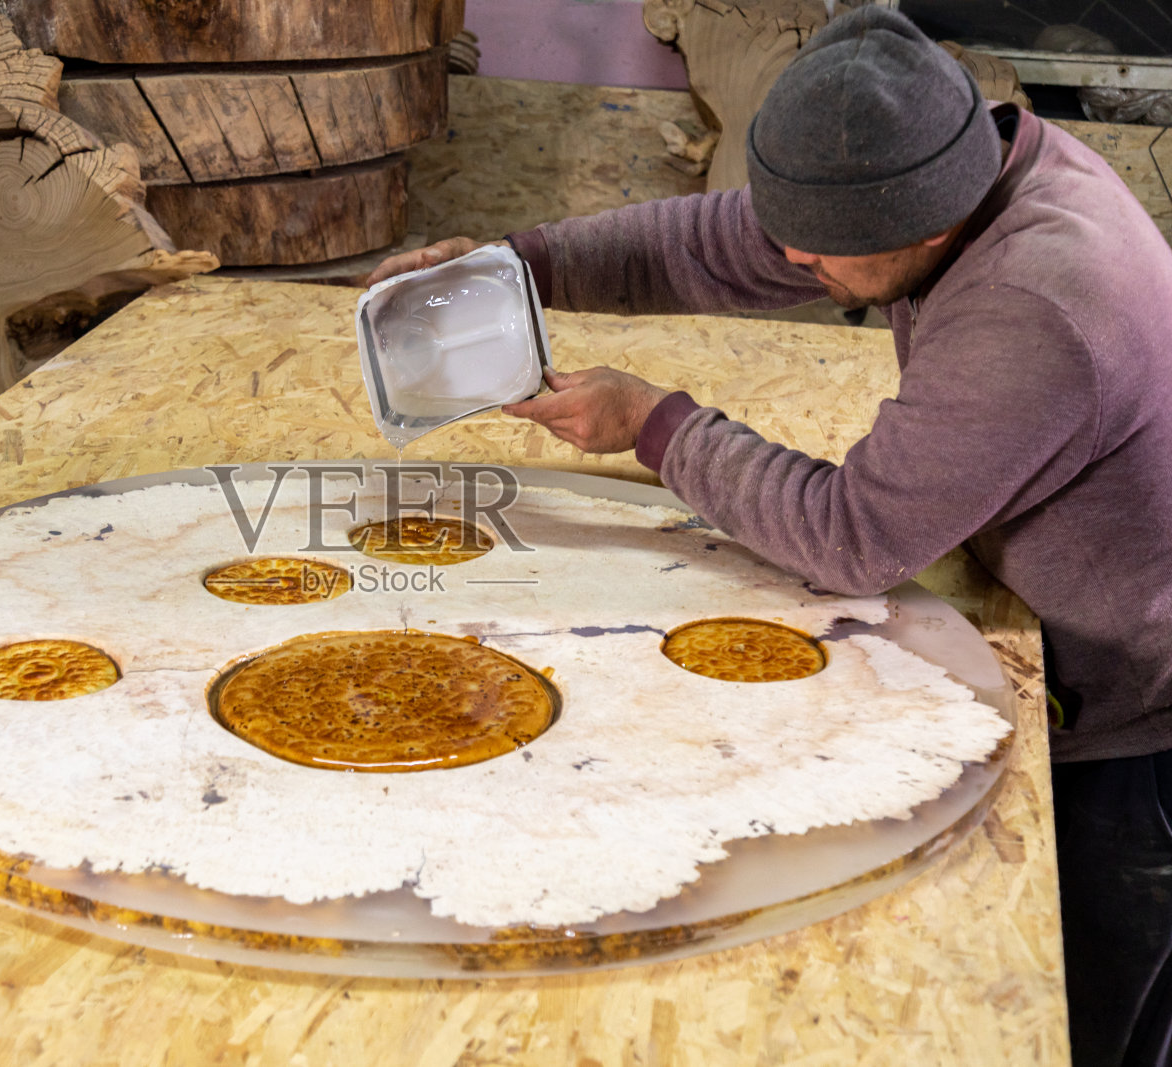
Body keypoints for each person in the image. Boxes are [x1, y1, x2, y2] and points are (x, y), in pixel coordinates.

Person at [369, 8, 1172, 1065]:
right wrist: (518, 267)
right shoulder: (962, 167)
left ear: (926, 223)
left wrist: (653, 426)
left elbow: (851, 537)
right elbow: (718, 244)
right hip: (1056, 606)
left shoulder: (1036, 300)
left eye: (820, 251)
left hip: (1130, 703)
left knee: (1074, 1000)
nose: (793, 257)